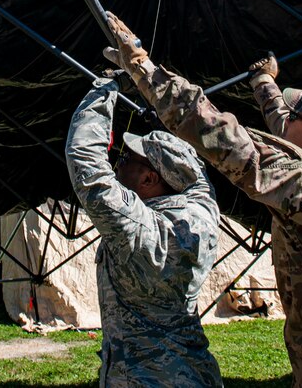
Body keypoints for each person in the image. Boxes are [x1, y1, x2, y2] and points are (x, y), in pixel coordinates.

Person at [102, 14, 302, 388]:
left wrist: (144, 69)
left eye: (297, 115)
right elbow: (286, 129)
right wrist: (264, 82)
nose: (285, 117)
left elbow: (229, 142)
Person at [66, 79, 223, 387]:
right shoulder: (202, 213)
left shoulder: (142, 230)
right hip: (193, 373)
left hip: (144, 379)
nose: (118, 163)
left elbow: (87, 166)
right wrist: (164, 129)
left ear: (150, 179)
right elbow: (197, 175)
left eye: (126, 159)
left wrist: (105, 90)